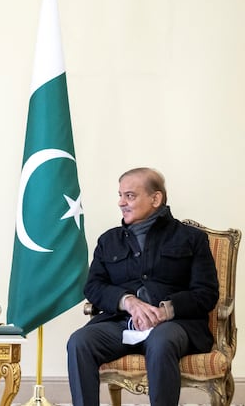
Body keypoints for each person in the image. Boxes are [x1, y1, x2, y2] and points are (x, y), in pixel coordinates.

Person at [67, 167, 219, 406]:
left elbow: (206, 293)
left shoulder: (192, 238)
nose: (121, 202)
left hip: (173, 325)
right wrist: (127, 301)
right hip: (120, 323)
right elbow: (94, 287)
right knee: (79, 341)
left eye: (130, 196)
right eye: (120, 195)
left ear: (155, 198)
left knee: (161, 341)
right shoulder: (108, 241)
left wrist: (166, 310)